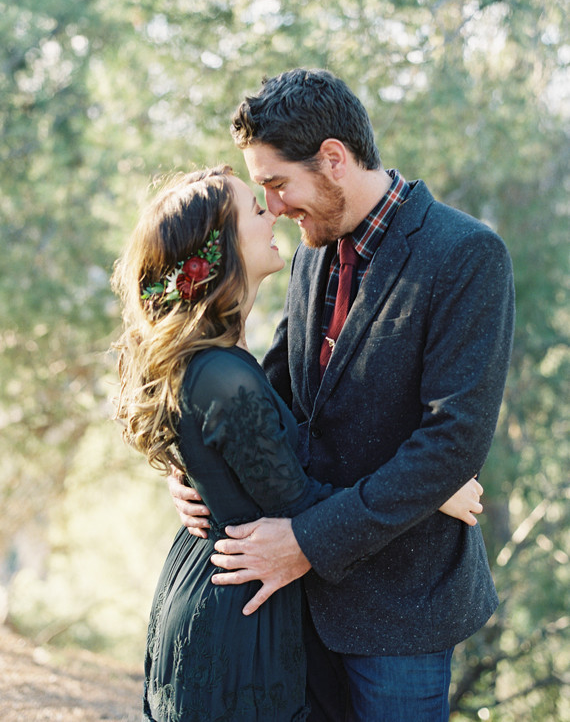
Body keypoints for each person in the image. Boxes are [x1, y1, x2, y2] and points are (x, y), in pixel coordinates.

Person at [167, 69, 516, 721]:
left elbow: (452, 443)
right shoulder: (311, 251)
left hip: (399, 616)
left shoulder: (467, 255)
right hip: (296, 614)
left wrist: (306, 541)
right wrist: (191, 470)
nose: (269, 205)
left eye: (276, 183)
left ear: (333, 160)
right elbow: (272, 397)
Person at [112, 165, 485, 722]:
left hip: (237, 586)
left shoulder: (219, 363)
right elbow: (295, 502)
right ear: (220, 253)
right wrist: (431, 496)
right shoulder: (220, 373)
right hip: (240, 607)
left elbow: (249, 423)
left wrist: (196, 469)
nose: (273, 211)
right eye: (256, 210)